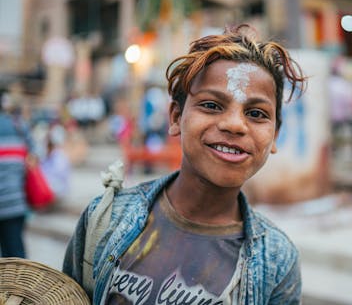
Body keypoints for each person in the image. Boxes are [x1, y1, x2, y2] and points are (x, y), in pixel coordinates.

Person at [63, 25, 307, 304]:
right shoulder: (105, 219)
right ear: (176, 117)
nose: (234, 125)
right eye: (212, 106)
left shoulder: (278, 260)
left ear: (274, 135)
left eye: (256, 113)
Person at [0, 94, 35, 257]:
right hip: (15, 203)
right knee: (16, 258)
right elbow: (34, 158)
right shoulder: (19, 126)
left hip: (13, 203)